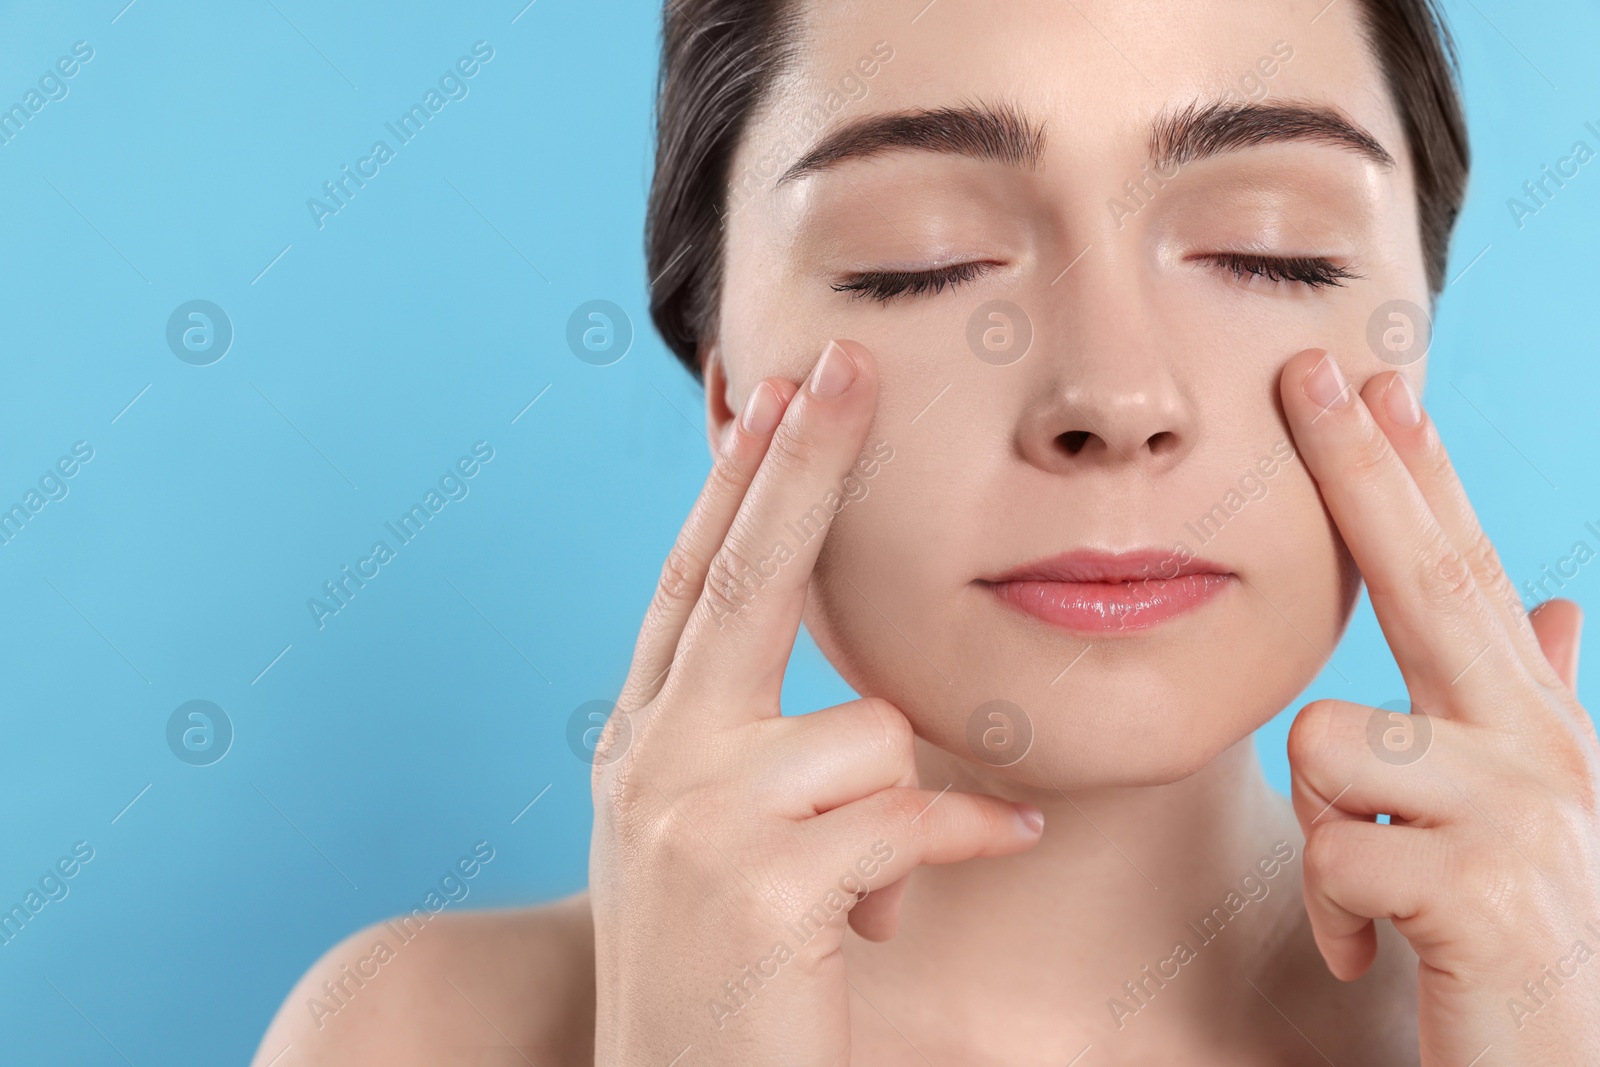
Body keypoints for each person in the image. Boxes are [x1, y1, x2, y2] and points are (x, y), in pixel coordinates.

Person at [252, 0, 1600, 1063]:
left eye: (1272, 250)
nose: (1115, 397)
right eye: (922, 258)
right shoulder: (411, 1034)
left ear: (1409, 347)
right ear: (732, 398)